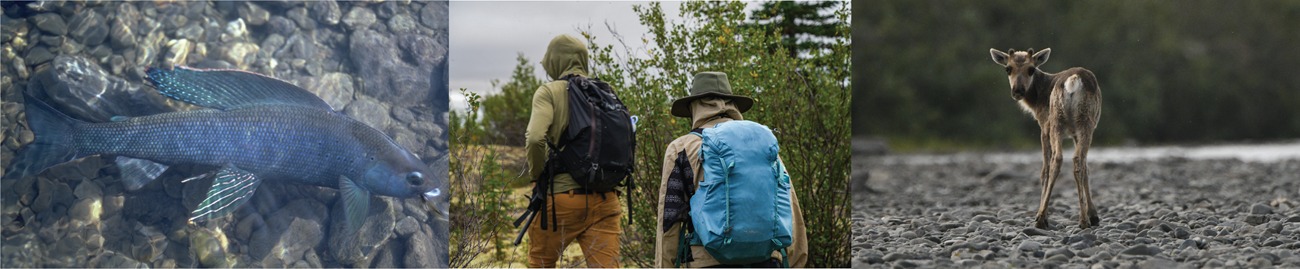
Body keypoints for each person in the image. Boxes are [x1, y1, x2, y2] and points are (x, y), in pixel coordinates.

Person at [655, 72, 809, 267]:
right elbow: (791, 208)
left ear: (693, 107)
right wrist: (794, 263)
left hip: (708, 262)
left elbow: (669, 222)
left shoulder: (681, 148)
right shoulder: (763, 143)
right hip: (767, 260)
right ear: (732, 104)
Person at [523, 34, 622, 268]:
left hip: (561, 202)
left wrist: (537, 177)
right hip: (607, 199)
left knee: (540, 263)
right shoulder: (606, 90)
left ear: (554, 61)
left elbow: (535, 138)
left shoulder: (549, 91)